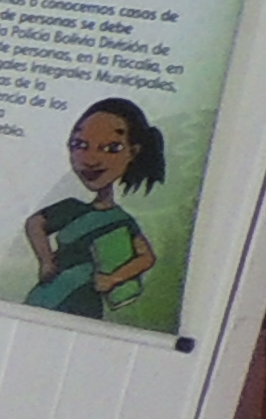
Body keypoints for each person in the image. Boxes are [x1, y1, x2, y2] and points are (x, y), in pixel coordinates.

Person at [22, 97, 164, 318]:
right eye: (79, 144)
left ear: (133, 152)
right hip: (49, 293)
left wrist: (113, 279)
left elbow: (146, 258)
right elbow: (35, 223)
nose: (91, 159)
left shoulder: (121, 220)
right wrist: (46, 260)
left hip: (85, 299)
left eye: (112, 148)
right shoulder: (71, 208)